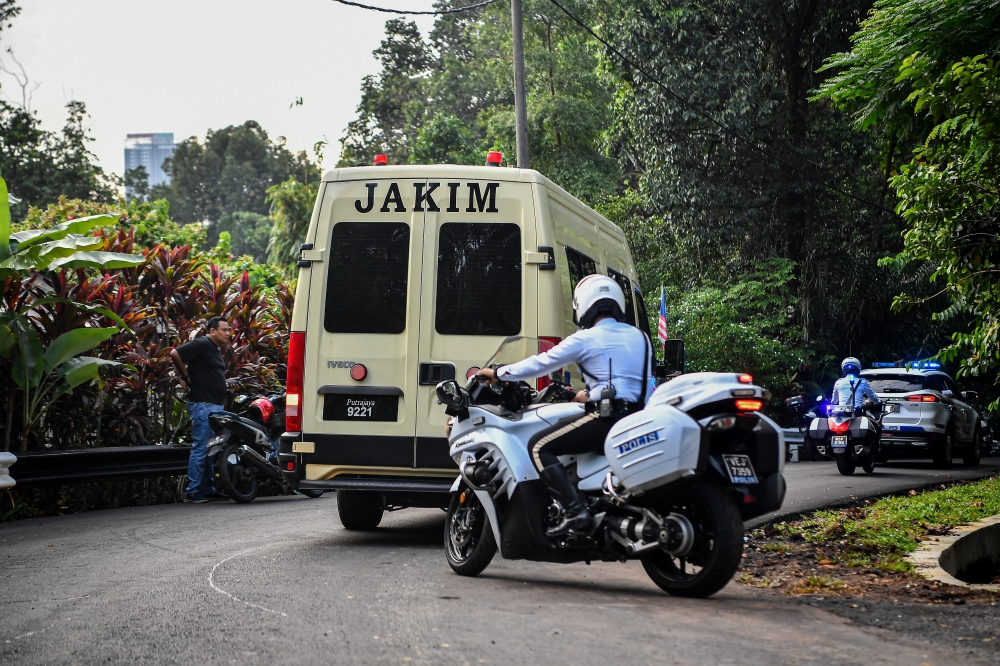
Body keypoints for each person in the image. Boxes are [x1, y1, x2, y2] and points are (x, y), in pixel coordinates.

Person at [478, 275, 654, 537]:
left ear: (583, 306)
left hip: (607, 419)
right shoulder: (641, 338)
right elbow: (638, 381)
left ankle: (575, 511)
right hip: (638, 418)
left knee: (539, 447)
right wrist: (590, 394)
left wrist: (499, 372)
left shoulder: (585, 338)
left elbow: (542, 362)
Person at [170, 317, 232, 503]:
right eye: (224, 330)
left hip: (214, 405)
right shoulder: (203, 343)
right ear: (212, 331)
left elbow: (208, 375)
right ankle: (192, 491)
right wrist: (186, 377)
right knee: (200, 447)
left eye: (229, 330)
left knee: (210, 448)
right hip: (203, 405)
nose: (228, 333)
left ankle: (206, 488)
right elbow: (175, 354)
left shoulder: (213, 350)